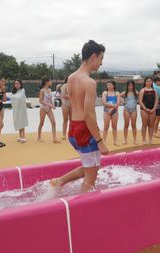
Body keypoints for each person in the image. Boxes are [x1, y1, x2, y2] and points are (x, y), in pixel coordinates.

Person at [50, 40, 108, 192]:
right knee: (90, 180)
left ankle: (59, 181)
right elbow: (89, 115)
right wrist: (100, 141)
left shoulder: (71, 78)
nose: (101, 63)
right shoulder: (89, 82)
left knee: (91, 167)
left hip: (73, 130)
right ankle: (81, 209)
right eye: (101, 59)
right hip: (85, 130)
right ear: (93, 57)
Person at [37, 77, 60, 143]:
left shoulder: (49, 90)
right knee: (41, 123)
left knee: (53, 122)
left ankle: (54, 139)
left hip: (49, 108)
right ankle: (39, 137)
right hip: (43, 108)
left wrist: (53, 105)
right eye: (50, 81)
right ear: (46, 82)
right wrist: (49, 105)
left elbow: (50, 99)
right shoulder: (42, 90)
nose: (51, 82)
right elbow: (40, 100)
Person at [139, 77, 159, 144]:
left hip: (152, 110)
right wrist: (145, 109)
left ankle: (150, 139)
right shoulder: (142, 90)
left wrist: (153, 108)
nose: (148, 82)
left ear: (152, 82)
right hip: (144, 110)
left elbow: (156, 100)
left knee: (151, 125)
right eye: (147, 81)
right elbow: (140, 101)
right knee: (144, 124)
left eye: (150, 81)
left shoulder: (154, 91)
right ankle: (144, 139)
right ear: (145, 82)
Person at [102, 80, 121, 146]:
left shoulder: (117, 93)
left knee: (114, 127)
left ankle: (115, 141)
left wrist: (112, 108)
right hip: (106, 111)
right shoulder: (105, 93)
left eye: (110, 85)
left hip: (115, 111)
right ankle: (103, 141)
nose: (108, 86)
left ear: (114, 86)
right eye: (107, 85)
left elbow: (118, 103)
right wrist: (112, 107)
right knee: (106, 127)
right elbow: (104, 102)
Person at [121, 80, 138, 145]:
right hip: (126, 110)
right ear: (127, 86)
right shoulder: (125, 93)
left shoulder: (136, 92)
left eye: (131, 85)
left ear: (133, 85)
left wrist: (138, 101)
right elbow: (118, 96)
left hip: (134, 110)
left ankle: (135, 139)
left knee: (133, 125)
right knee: (126, 124)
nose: (130, 86)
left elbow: (140, 97)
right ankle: (125, 139)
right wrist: (123, 102)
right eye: (129, 85)